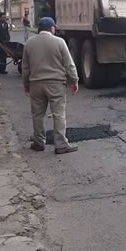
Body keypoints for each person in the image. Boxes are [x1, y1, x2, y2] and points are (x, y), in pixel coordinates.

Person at [22, 17, 79, 154]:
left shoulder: (29, 44)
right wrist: (74, 80)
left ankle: (39, 142)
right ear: (51, 28)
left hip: (36, 84)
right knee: (58, 114)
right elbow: (69, 64)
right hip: (56, 84)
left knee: (37, 115)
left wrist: (26, 84)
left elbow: (25, 67)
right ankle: (60, 145)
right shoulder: (59, 42)